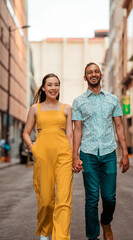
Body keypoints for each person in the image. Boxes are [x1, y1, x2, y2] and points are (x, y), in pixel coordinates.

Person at [72, 63, 129, 240]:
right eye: (90, 72)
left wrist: (125, 153)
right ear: (85, 77)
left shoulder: (112, 99)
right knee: (91, 199)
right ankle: (93, 236)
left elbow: (119, 126)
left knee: (109, 197)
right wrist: (75, 156)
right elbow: (77, 130)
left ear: (101, 75)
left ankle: (106, 221)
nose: (93, 74)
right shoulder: (78, 102)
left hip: (108, 153)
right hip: (87, 154)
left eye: (96, 71)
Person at [23, 73, 73, 240]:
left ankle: (61, 237)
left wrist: (74, 157)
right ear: (43, 88)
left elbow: (70, 135)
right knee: (45, 200)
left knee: (64, 200)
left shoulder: (67, 108)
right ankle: (45, 231)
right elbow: (26, 133)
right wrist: (33, 148)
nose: (53, 88)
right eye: (50, 85)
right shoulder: (34, 108)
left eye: (56, 84)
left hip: (64, 154)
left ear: (59, 87)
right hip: (42, 154)